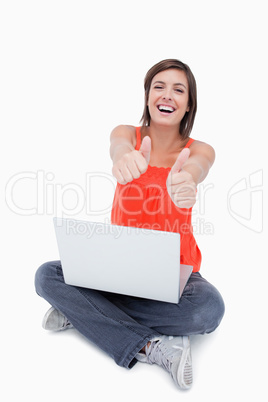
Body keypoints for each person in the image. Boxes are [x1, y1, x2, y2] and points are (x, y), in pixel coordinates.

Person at [35, 59, 225, 390]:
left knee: (208, 309)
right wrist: (124, 157)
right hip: (116, 271)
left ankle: (83, 315)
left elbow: (200, 165)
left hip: (176, 274)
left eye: (178, 89)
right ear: (148, 95)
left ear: (189, 104)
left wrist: (189, 179)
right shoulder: (126, 134)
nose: (167, 95)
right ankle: (153, 345)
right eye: (159, 87)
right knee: (46, 276)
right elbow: (119, 147)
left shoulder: (201, 149)